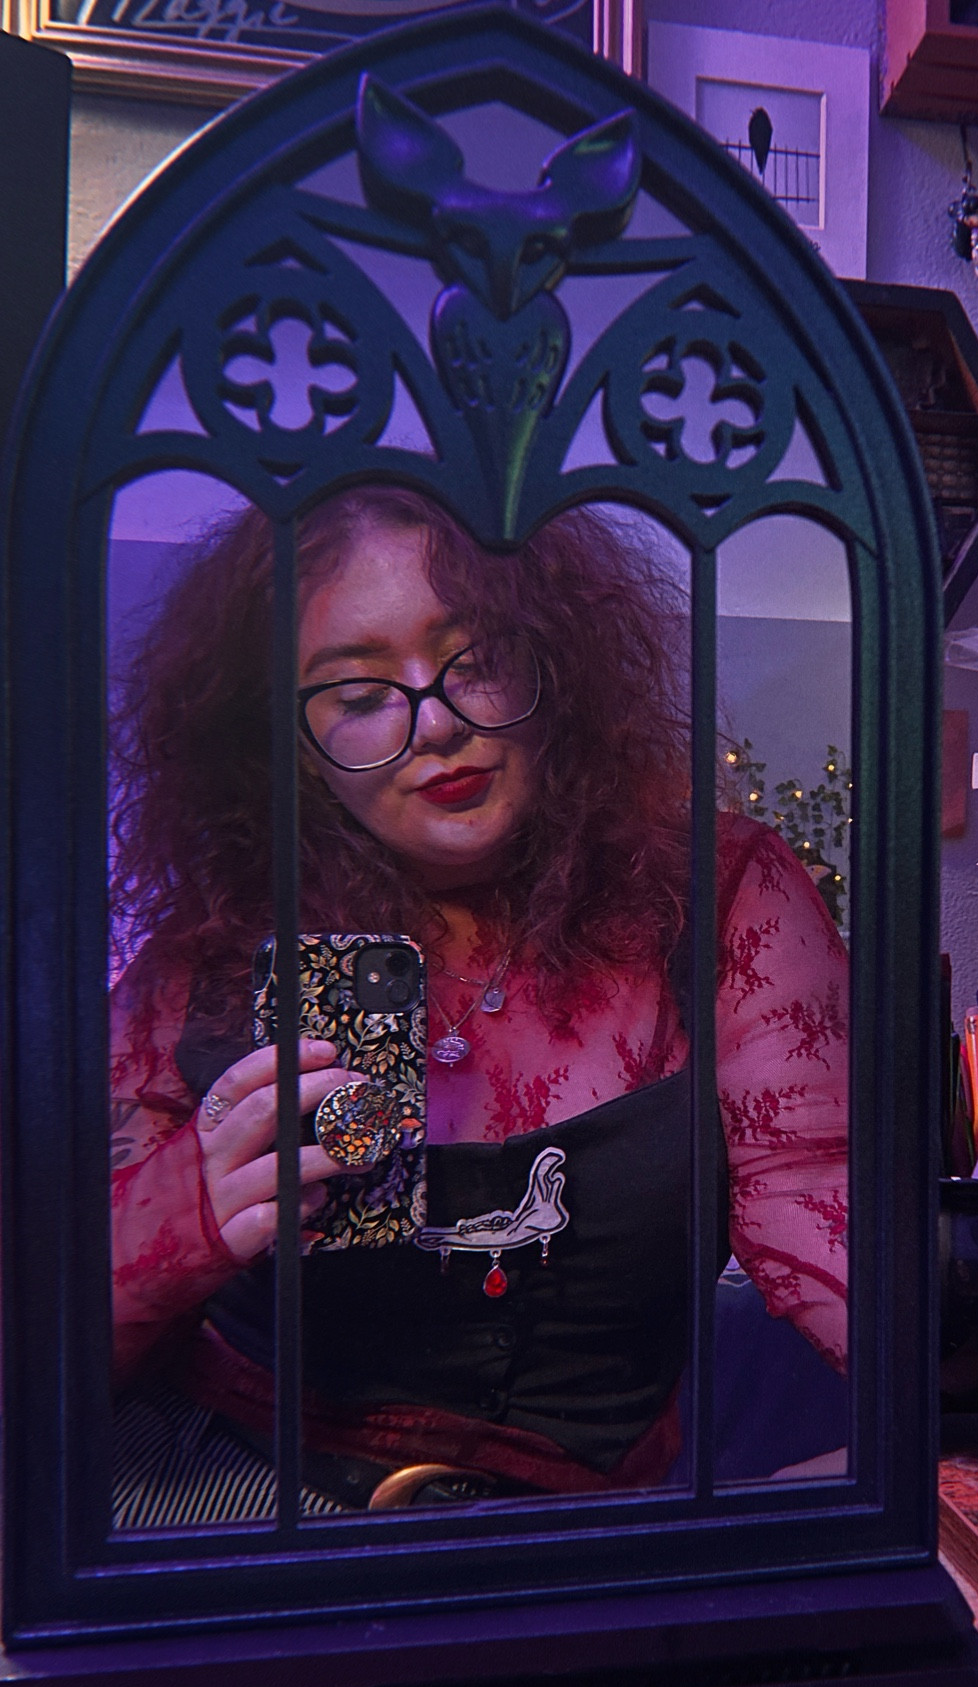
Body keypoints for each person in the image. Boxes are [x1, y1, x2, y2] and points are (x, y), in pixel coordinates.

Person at [108, 487, 848, 1523]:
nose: (438, 722)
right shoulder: (209, 961)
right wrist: (182, 1212)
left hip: (569, 1549)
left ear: (554, 659)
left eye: (476, 656)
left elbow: (822, 1207)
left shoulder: (717, 894)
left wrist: (935, 1426)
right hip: (222, 1495)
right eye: (359, 692)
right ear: (288, 745)